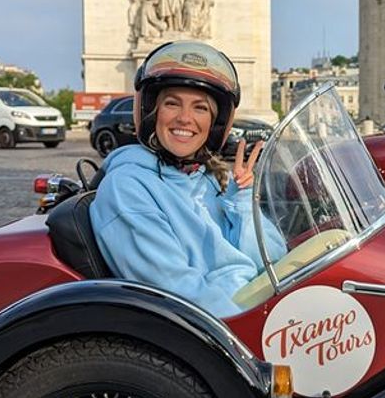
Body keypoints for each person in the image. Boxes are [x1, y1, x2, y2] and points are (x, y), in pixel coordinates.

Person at [91, 41, 284, 318]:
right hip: (230, 322)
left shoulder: (201, 177)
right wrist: (249, 336)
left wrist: (242, 199)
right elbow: (175, 290)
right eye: (172, 104)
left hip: (254, 303)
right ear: (150, 112)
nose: (185, 118)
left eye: (200, 108)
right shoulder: (127, 188)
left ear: (216, 124)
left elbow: (271, 258)